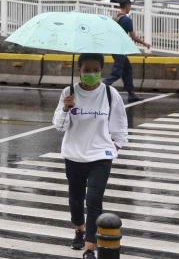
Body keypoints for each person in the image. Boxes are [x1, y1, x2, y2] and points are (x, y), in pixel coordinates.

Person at [53, 53, 128, 259]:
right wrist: (66, 109)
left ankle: (89, 248)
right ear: (79, 70)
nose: (91, 74)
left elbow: (120, 124)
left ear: (101, 71)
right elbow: (59, 126)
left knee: (94, 200)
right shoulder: (69, 92)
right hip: (74, 155)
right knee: (76, 199)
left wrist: (115, 147)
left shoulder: (110, 94)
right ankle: (79, 228)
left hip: (100, 156)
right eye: (87, 70)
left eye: (96, 71)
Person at [103, 0, 150, 102]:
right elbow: (133, 37)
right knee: (116, 73)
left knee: (127, 70)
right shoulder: (127, 20)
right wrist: (144, 43)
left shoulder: (115, 17)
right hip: (120, 49)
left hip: (115, 48)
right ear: (128, 6)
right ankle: (99, 88)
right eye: (130, 6)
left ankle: (131, 94)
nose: (130, 8)